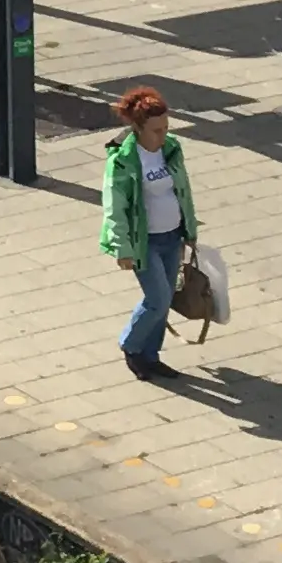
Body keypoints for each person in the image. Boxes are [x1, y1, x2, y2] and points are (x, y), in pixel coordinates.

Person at [100, 83, 200, 380]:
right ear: (139, 128)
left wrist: (189, 230)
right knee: (156, 299)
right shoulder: (123, 160)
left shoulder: (170, 148)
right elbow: (114, 206)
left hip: (172, 236)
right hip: (145, 242)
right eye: (156, 130)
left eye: (166, 128)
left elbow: (183, 190)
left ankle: (150, 356)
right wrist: (122, 248)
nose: (163, 135)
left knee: (165, 298)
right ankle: (131, 346)